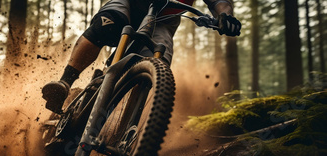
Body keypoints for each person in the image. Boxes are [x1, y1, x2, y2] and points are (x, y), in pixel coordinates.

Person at [42, 0, 241, 113]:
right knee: (108, 23)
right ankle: (64, 84)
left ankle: (124, 134)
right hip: (129, 3)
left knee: (157, 59)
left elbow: (220, 2)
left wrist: (226, 16)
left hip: (163, 20)